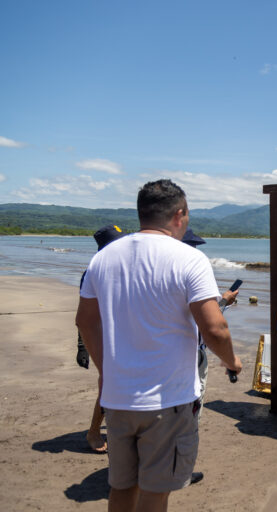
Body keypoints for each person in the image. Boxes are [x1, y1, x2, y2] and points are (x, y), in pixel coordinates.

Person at [76, 179, 242, 511]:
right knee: (155, 491)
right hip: (169, 401)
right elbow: (214, 328)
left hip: (119, 399)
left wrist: (104, 370)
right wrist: (232, 362)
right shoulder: (189, 259)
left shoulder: (105, 258)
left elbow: (85, 321)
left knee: (121, 487)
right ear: (179, 214)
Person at [181, 228, 238, 486]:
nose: (195, 251)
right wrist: (231, 360)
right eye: (193, 245)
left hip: (169, 353)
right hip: (193, 353)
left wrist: (223, 301)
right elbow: (212, 325)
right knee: (191, 410)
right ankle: (181, 470)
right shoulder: (192, 269)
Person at [75, 224, 125, 453]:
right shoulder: (94, 271)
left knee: (119, 385)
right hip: (105, 337)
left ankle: (118, 430)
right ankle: (94, 432)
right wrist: (83, 346)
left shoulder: (122, 267)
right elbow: (86, 316)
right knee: (107, 384)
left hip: (122, 336)